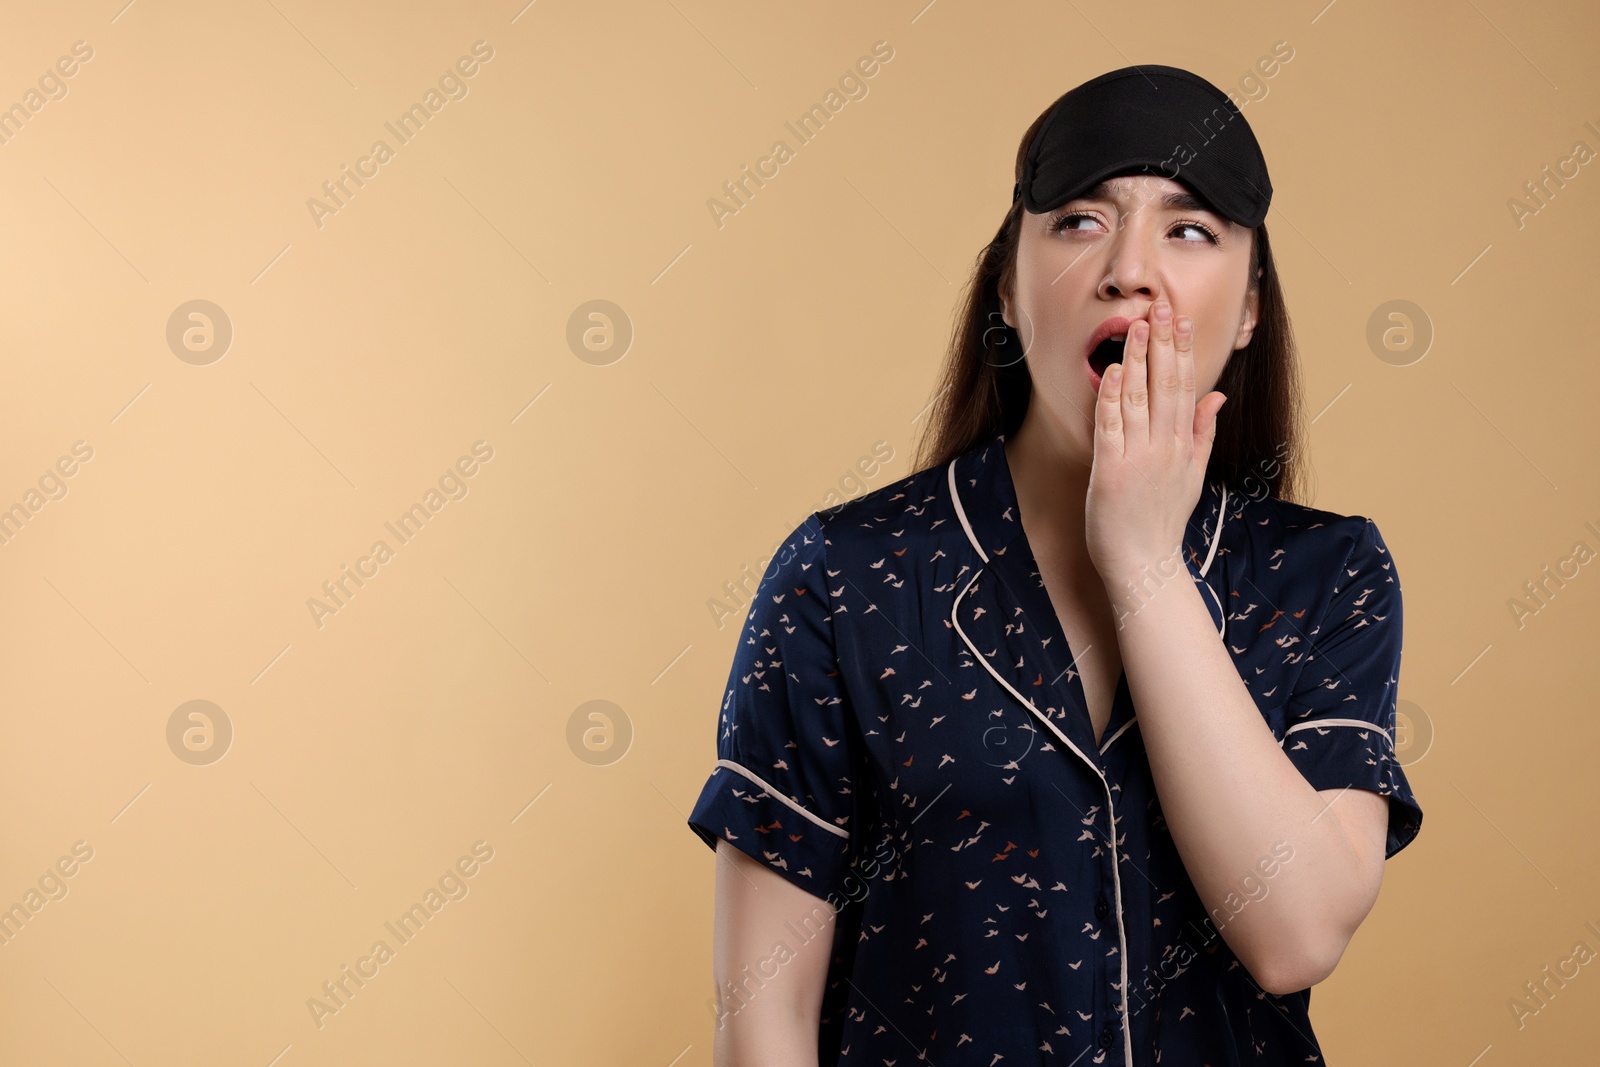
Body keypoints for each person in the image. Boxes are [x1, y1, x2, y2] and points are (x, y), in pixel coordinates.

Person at [686, 64, 1423, 1066]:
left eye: (1189, 228)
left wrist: (1143, 565)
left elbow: (1293, 933)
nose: (1131, 267)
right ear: (1006, 285)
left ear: (1249, 307)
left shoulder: (1324, 575)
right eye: (1080, 220)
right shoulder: (842, 579)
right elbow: (761, 1029)